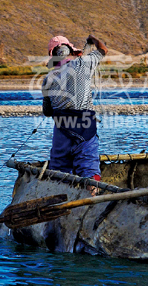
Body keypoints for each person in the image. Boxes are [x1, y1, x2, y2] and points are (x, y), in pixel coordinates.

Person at [42, 35, 108, 195]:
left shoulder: (48, 79)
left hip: (61, 133)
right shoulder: (83, 63)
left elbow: (47, 111)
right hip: (85, 128)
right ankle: (91, 199)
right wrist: (93, 39)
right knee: (90, 170)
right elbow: (103, 49)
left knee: (59, 172)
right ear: (70, 50)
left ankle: (59, 202)